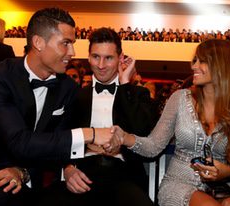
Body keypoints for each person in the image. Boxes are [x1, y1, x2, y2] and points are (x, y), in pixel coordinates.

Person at [0, 7, 120, 205]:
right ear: (38, 42)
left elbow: (55, 145)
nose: (72, 52)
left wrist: (28, 171)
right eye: (65, 43)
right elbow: (18, 141)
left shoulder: (67, 88)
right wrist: (91, 133)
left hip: (19, 179)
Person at [115, 39, 230, 206]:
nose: (194, 66)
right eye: (195, 60)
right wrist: (124, 137)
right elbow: (153, 146)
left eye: (202, 61)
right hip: (179, 184)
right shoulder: (180, 99)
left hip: (223, 188)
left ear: (222, 66)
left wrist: (226, 171)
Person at [40, 27, 158, 206]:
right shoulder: (73, 95)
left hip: (124, 176)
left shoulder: (137, 94)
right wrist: (68, 169)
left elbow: (144, 134)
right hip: (82, 174)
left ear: (120, 58)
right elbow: (56, 138)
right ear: (88, 57)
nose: (101, 65)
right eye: (96, 57)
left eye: (109, 58)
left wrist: (125, 83)